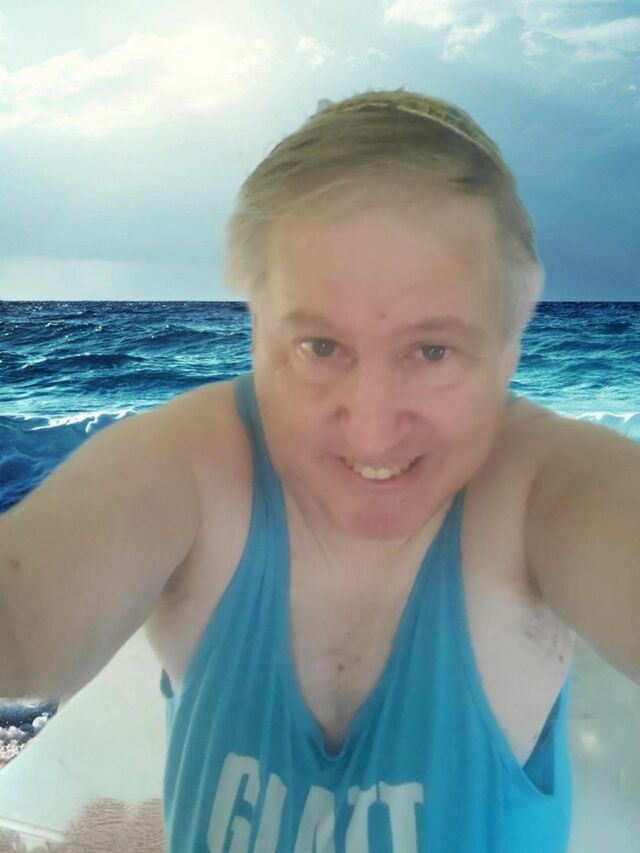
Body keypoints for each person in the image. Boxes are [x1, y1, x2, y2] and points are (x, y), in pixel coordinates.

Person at [1, 88, 638, 853]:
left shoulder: (539, 485)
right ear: (257, 330)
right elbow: (25, 622)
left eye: (432, 349)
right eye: (319, 347)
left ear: (507, 343)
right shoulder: (195, 462)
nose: (371, 426)